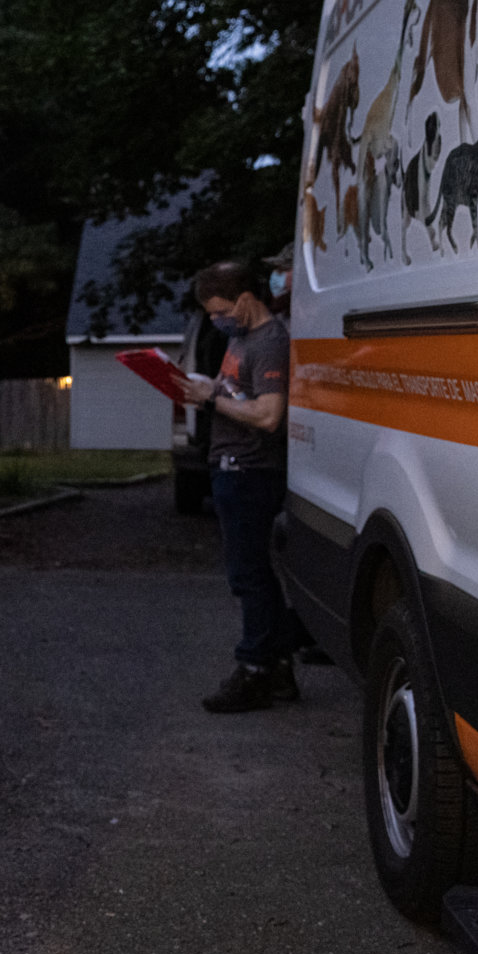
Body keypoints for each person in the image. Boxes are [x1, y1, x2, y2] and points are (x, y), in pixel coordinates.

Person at [179, 259, 297, 713]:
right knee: (254, 573)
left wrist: (211, 397)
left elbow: (268, 416)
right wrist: (208, 387)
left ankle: (254, 669)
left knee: (249, 576)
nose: (215, 320)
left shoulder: (269, 343)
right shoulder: (243, 339)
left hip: (250, 471)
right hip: (230, 466)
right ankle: (280, 666)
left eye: (219, 310)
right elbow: (237, 395)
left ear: (246, 300)